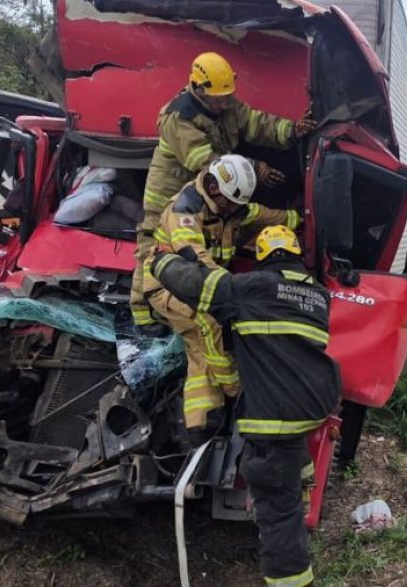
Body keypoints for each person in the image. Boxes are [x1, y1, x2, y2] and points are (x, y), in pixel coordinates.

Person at [151, 224, 340, 587]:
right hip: (312, 401)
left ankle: (292, 579)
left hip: (274, 417)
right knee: (290, 455)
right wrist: (199, 261)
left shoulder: (252, 289)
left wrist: (161, 262)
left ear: (261, 258)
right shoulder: (318, 296)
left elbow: (199, 287)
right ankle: (298, 485)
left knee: (278, 510)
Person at [130, 51, 317, 327]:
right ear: (199, 88)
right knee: (152, 248)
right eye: (221, 99)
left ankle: (195, 301)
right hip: (169, 192)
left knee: (209, 241)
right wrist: (254, 168)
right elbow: (205, 162)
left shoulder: (224, 102)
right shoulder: (178, 117)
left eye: (229, 96)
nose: (227, 103)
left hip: (207, 189)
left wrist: (291, 130)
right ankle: (143, 320)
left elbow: (255, 123)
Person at [144, 155, 300, 441]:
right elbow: (195, 259)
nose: (238, 210)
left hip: (201, 285)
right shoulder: (185, 211)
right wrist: (233, 294)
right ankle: (233, 391)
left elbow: (260, 214)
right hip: (170, 287)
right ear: (215, 189)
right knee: (211, 324)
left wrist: (296, 218)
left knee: (199, 351)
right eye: (234, 204)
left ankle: (200, 426)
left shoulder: (230, 205)